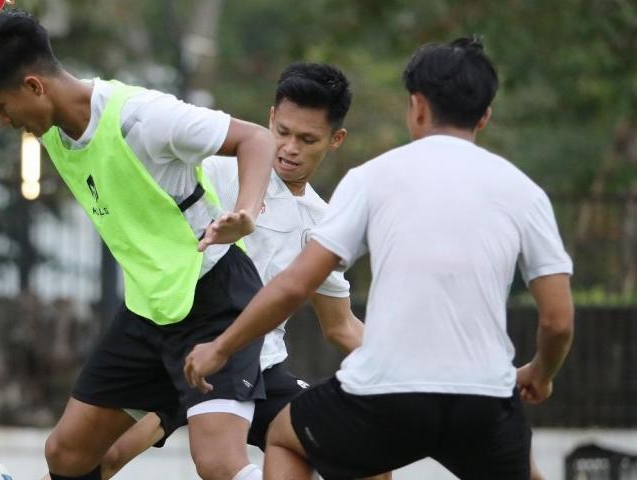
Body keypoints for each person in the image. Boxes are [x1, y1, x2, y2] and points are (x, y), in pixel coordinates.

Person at [185, 36, 575, 480]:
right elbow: (558, 321)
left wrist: (221, 347)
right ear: (485, 115)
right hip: (485, 396)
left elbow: (295, 286)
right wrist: (540, 373)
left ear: (417, 107)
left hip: (387, 394)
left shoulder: (371, 179)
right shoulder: (525, 192)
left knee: (284, 436)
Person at [0, 10, 278, 480]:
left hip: (215, 299)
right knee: (66, 453)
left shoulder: (142, 118)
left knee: (218, 464)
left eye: (0, 106)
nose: (3, 121)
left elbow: (256, 139)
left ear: (35, 87)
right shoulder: (55, 131)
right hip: (149, 309)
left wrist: (244, 213)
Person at [63, 63, 388, 480]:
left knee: (366, 456)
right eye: (283, 132)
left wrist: (407, 371)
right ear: (270, 118)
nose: (289, 148)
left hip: (257, 369)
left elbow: (340, 325)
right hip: (178, 352)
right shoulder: (216, 170)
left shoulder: (322, 225)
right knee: (98, 458)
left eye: (307, 139)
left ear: (335, 139)